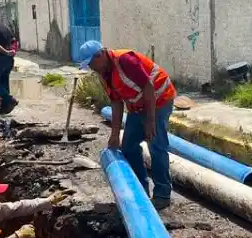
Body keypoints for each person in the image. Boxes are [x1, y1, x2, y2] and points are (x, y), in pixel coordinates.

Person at [76, 40, 177, 210]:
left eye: (91, 63)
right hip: (138, 106)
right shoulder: (104, 73)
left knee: (156, 146)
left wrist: (150, 121)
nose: (91, 68)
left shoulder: (125, 60)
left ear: (100, 55)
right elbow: (116, 103)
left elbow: (148, 87)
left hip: (158, 100)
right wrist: (114, 135)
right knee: (128, 146)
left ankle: (162, 195)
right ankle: (140, 190)